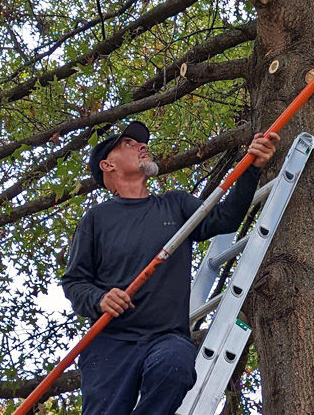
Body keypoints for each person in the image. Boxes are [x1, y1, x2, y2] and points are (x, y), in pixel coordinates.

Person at [61, 120, 279, 415]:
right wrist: (100, 299)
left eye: (141, 143)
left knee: (175, 367)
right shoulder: (96, 220)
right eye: (128, 144)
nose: (142, 146)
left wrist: (251, 167)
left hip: (165, 337)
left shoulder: (175, 205)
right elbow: (74, 282)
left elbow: (225, 219)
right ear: (107, 165)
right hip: (109, 343)